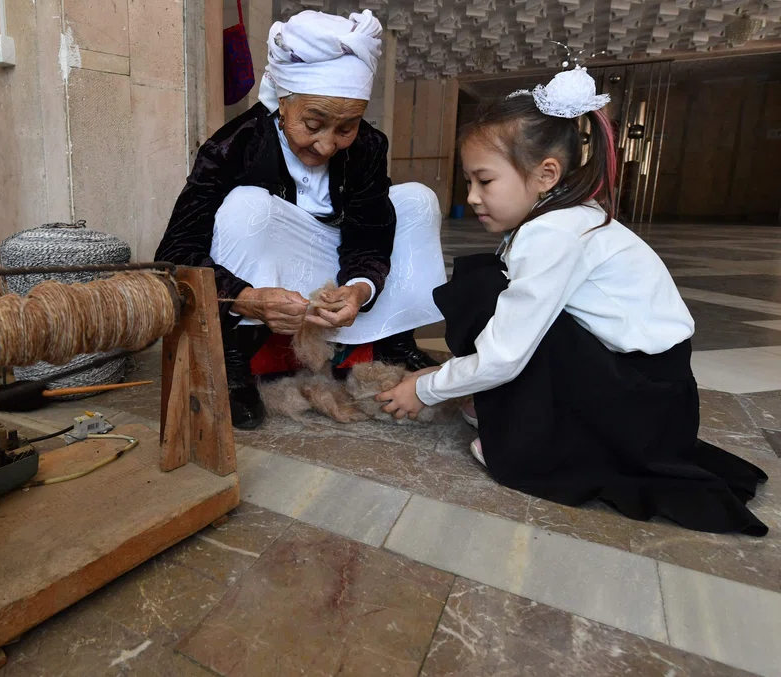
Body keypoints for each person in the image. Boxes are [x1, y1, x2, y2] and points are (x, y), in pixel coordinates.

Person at [378, 64, 769, 535]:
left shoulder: (553, 233)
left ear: (546, 174)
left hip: (641, 400)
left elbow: (507, 353)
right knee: (486, 283)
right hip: (652, 390)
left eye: (484, 181)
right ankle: (509, 408)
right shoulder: (561, 216)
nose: (473, 197)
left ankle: (535, 443)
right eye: (469, 182)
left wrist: (424, 389)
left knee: (486, 296)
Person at [156, 9, 445, 430]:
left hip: (335, 261)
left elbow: (369, 231)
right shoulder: (233, 146)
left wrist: (359, 288)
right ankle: (232, 355)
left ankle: (394, 341)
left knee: (416, 200)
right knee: (245, 204)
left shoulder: (366, 146)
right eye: (313, 123)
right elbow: (176, 251)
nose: (328, 145)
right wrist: (239, 296)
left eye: (346, 127)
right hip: (272, 270)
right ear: (283, 101)